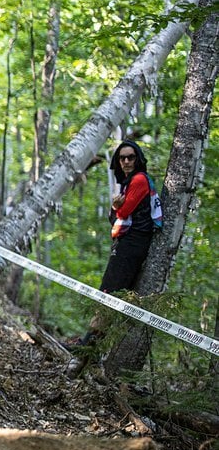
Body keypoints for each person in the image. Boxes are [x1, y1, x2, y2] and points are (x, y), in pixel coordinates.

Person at [69, 139, 158, 348]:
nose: (126, 161)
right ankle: (90, 345)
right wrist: (117, 207)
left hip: (132, 245)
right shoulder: (129, 183)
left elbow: (123, 212)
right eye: (122, 158)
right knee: (110, 291)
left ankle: (88, 346)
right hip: (128, 243)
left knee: (109, 292)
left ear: (138, 159)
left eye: (131, 157)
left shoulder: (138, 180)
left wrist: (116, 206)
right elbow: (117, 215)